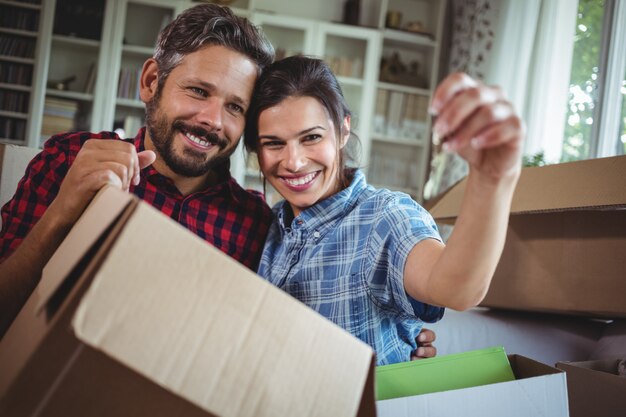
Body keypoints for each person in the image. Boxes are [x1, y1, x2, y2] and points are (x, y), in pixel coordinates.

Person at [0, 4, 275, 337]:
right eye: (198, 91)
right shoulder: (69, 161)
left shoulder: (255, 222)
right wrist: (62, 212)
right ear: (150, 81)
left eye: (235, 107)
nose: (213, 120)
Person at [243, 56, 523, 365]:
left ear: (343, 130)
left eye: (311, 137)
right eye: (273, 143)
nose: (293, 162)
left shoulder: (385, 217)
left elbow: (456, 288)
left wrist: (492, 178)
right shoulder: (272, 225)